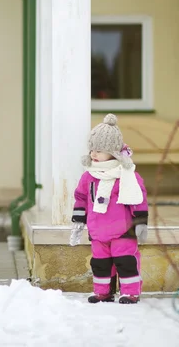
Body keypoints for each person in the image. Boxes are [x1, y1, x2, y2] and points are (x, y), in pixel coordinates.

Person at [71, 114, 149, 304]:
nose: (93, 154)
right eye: (92, 150)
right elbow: (81, 198)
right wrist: (79, 219)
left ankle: (130, 292)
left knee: (126, 261)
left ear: (113, 152)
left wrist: (140, 223)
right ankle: (102, 292)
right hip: (98, 231)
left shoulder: (126, 175)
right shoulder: (89, 176)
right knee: (100, 263)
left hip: (122, 230)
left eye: (98, 150)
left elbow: (138, 199)